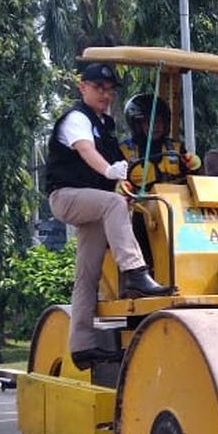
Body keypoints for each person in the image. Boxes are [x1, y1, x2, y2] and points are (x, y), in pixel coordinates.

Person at [45, 62, 168, 370]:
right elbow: (86, 150)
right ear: (82, 87)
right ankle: (135, 273)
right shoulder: (76, 119)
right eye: (99, 88)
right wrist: (109, 171)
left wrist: (124, 180)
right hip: (67, 196)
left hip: (93, 205)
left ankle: (83, 347)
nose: (105, 95)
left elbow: (119, 166)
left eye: (109, 90)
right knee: (113, 204)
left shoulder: (105, 125)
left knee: (87, 275)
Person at [118, 93, 201, 188]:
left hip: (173, 200)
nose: (156, 126)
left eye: (160, 121)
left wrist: (195, 166)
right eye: (150, 122)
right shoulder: (124, 151)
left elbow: (194, 179)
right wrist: (120, 187)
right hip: (139, 201)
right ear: (137, 124)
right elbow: (117, 183)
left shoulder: (177, 149)